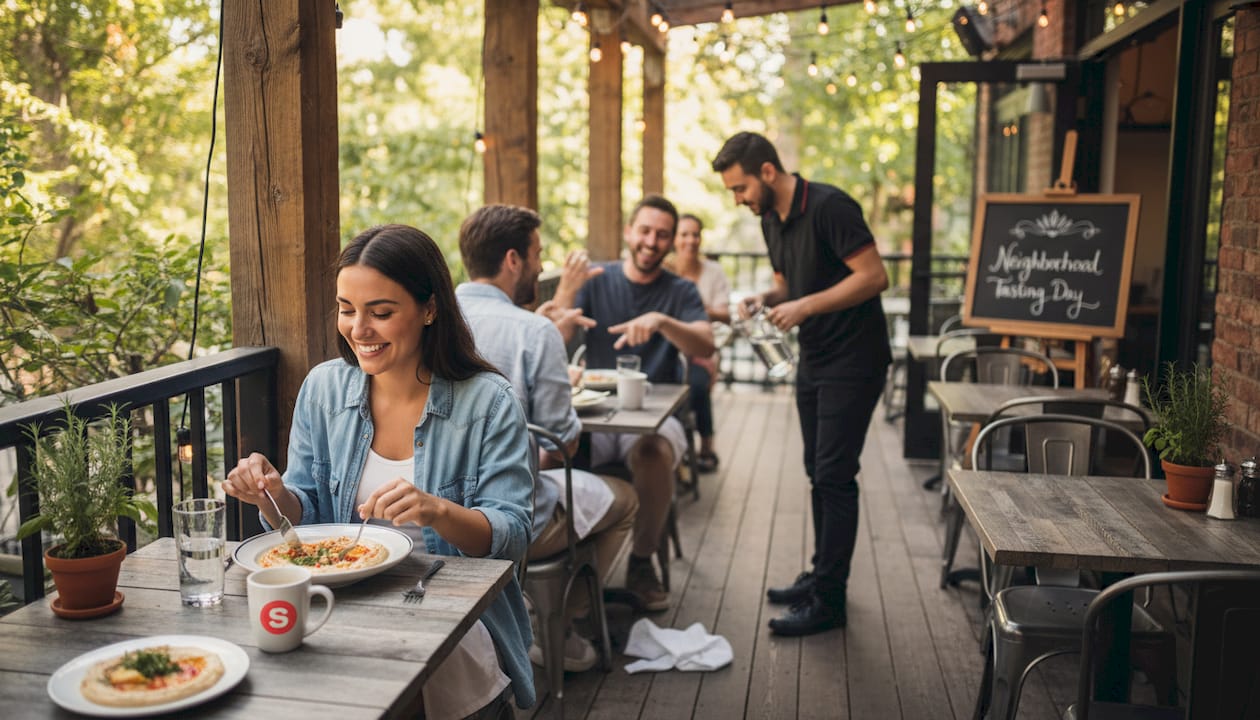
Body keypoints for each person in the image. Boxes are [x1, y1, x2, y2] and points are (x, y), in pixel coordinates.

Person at [223, 224, 535, 718]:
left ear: (430, 309)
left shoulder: (488, 402)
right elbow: (303, 516)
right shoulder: (324, 388)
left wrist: (438, 510)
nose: (358, 329)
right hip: (337, 604)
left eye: (381, 313)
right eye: (347, 309)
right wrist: (271, 494)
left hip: (447, 615)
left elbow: (512, 535)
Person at [712, 132, 891, 637]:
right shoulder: (770, 218)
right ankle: (820, 575)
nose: (739, 199)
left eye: (740, 188)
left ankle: (829, 600)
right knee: (818, 470)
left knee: (834, 475)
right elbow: (789, 285)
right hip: (814, 359)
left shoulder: (832, 206)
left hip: (855, 361)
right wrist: (765, 297)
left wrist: (805, 306)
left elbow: (875, 276)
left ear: (768, 172)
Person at [455, 203, 638, 672]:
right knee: (624, 499)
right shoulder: (535, 332)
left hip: (440, 515)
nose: (540, 265)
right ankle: (559, 620)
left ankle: (533, 606)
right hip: (516, 521)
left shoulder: (432, 318)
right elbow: (562, 443)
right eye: (537, 254)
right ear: (513, 259)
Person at [551, 194, 715, 612]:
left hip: (655, 415)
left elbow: (705, 342)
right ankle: (556, 562)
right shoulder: (597, 278)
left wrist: (662, 322)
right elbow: (552, 339)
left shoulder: (679, 290)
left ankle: (641, 562)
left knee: (652, 452)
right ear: (629, 232)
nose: (651, 241)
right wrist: (567, 291)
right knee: (550, 452)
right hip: (593, 410)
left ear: (671, 242)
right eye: (645, 231)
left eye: (662, 235)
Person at [671, 213, 731, 472]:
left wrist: (697, 311)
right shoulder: (664, 270)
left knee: (694, 385)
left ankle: (706, 444)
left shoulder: (713, 272)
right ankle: (677, 448)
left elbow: (726, 314)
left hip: (700, 349)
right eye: (684, 234)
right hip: (669, 347)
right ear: (675, 239)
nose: (690, 240)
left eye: (695, 234)